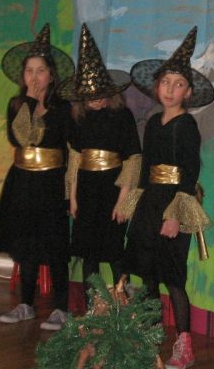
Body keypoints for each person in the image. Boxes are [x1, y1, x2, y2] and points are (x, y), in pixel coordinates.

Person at [117, 26, 214, 369]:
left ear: (188, 92)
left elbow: (189, 173)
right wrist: (132, 204)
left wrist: (174, 215)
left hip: (175, 203)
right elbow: (146, 169)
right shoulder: (154, 122)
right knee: (148, 274)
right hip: (150, 204)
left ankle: (184, 345)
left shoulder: (186, 126)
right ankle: (151, 337)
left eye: (179, 84)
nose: (170, 90)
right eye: (165, 83)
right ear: (157, 87)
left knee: (173, 279)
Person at [0, 23, 75, 331]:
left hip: (51, 182)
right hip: (23, 181)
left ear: (51, 75)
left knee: (54, 245)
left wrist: (71, 192)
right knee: (25, 244)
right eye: (29, 71)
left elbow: (71, 151)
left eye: (40, 71)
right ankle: (25, 304)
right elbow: (22, 138)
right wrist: (28, 101)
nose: (34, 77)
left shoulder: (63, 108)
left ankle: (61, 308)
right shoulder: (17, 105)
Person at [62, 23, 141, 297]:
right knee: (88, 253)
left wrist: (123, 200)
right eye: (90, 95)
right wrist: (72, 198)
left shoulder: (122, 116)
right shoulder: (78, 118)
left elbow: (132, 159)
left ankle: (122, 306)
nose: (96, 100)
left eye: (100, 93)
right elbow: (74, 159)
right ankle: (92, 306)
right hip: (86, 189)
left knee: (114, 250)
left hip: (112, 189)